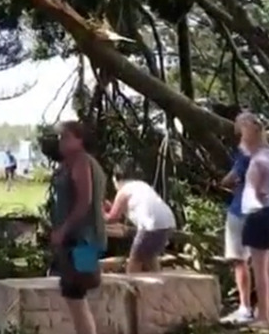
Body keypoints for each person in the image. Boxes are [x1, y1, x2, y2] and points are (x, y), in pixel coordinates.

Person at [47, 121, 106, 334]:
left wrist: (63, 229)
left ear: (79, 139)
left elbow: (85, 200)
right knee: (75, 292)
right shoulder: (76, 162)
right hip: (80, 237)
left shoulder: (81, 161)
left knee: (75, 291)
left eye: (66, 136)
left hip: (82, 239)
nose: (61, 141)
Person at [236, 112, 269, 329]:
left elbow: (253, 191)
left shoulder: (257, 161)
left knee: (259, 270)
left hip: (259, 215)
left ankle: (263, 317)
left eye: (241, 132)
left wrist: (259, 195)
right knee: (267, 269)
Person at [104, 169, 176, 273]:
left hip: (151, 225)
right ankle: (158, 286)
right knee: (150, 258)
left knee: (134, 261)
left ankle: (132, 286)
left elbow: (112, 218)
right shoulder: (141, 185)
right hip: (168, 222)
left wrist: (98, 213)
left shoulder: (123, 191)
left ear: (116, 180)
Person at [220, 136, 254, 323]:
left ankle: (245, 307)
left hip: (240, 210)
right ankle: (265, 310)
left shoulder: (244, 153)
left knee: (239, 261)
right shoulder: (266, 153)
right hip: (261, 211)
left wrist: (225, 182)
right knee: (261, 262)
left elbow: (229, 179)